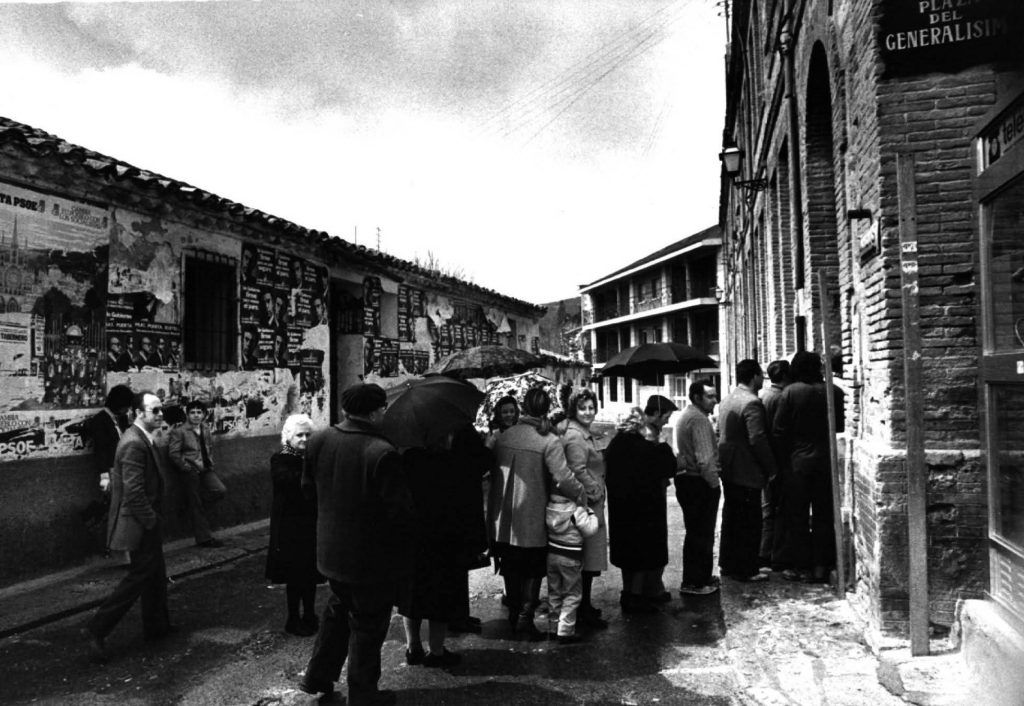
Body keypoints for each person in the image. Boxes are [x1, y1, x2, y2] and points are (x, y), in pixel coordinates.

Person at [298, 383, 414, 706]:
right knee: (368, 623)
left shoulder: (319, 439)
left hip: (331, 553)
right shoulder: (381, 452)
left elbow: (307, 490)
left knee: (337, 610)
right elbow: (399, 514)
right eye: (383, 409)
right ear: (376, 410)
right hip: (370, 560)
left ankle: (317, 675)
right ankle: (363, 694)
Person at [488, 387, 586, 638]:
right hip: (532, 514)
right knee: (533, 567)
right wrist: (581, 493)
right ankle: (524, 620)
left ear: (523, 407)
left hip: (503, 516)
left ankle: (513, 615)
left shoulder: (505, 436)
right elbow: (563, 477)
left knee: (510, 565)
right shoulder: (548, 439)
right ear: (547, 408)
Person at [82, 391, 172, 663]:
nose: (160, 415)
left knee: (155, 572)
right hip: (141, 520)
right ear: (137, 413)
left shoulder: (144, 437)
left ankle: (157, 626)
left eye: (160, 410)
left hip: (148, 518)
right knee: (140, 575)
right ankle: (98, 628)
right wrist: (150, 520)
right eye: (154, 410)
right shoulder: (133, 442)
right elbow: (134, 491)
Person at [398, 430, 470, 669]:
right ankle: (436, 651)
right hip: (442, 540)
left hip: (411, 539)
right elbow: (460, 503)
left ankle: (413, 647)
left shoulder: (406, 460)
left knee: (412, 595)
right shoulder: (450, 462)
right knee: (439, 596)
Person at [604, 397, 677, 613]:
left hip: (622, 507)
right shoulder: (644, 444)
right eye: (665, 417)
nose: (665, 422)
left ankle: (635, 592)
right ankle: (635, 596)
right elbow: (668, 466)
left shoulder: (618, 441)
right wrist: (661, 444)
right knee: (642, 553)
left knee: (631, 554)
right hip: (643, 508)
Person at [772, 351, 836, 583]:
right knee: (823, 515)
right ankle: (821, 566)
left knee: (797, 516)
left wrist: (783, 460)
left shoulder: (790, 393)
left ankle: (801, 567)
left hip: (797, 463)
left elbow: (779, 431)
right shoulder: (833, 391)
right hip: (827, 462)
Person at [718, 359, 777, 583]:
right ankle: (747, 568)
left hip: (730, 468)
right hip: (746, 470)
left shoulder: (728, 399)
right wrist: (770, 468)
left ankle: (729, 564)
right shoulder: (752, 402)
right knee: (749, 520)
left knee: (732, 517)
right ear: (754, 376)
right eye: (761, 375)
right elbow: (757, 438)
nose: (763, 379)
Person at [266, 414, 321, 636]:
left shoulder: (312, 458)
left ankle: (309, 613)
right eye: (300, 435)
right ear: (289, 436)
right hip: (289, 526)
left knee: (310, 572)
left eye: (308, 435)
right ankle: (293, 618)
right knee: (294, 575)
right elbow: (290, 482)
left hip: (309, 523)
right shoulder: (280, 458)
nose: (305, 439)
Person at [561, 388, 608, 628]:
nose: (588, 412)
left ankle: (585, 606)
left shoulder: (582, 432)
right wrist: (595, 491)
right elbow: (577, 469)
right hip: (585, 505)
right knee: (585, 560)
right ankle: (581, 611)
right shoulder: (575, 436)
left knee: (588, 560)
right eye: (583, 408)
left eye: (591, 407)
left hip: (589, 504)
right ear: (573, 409)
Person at [674, 380, 722, 595]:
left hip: (688, 481)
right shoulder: (699, 420)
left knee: (696, 532)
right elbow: (705, 459)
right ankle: (695, 581)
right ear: (696, 398)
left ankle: (700, 576)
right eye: (710, 396)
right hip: (698, 482)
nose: (714, 400)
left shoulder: (687, 416)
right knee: (701, 533)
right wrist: (714, 484)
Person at [82, 384, 134, 564]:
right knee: (117, 512)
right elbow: (100, 450)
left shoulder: (121, 419)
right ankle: (119, 554)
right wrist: (104, 475)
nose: (127, 409)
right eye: (126, 405)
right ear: (117, 403)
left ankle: (126, 550)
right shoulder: (100, 421)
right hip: (112, 470)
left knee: (125, 512)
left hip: (125, 468)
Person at [545, 485, 599, 644]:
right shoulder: (577, 510)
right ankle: (565, 630)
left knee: (554, 592)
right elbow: (590, 530)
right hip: (570, 556)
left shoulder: (550, 506)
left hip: (552, 554)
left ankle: (553, 627)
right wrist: (591, 514)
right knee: (572, 594)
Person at [168, 400, 223, 548]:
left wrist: (209, 463)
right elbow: (173, 453)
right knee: (196, 503)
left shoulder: (205, 428)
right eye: (192, 412)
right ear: (187, 414)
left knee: (220, 490)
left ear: (204, 414)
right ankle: (204, 538)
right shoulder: (180, 431)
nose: (196, 415)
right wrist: (185, 466)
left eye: (199, 412)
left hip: (206, 469)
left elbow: (209, 447)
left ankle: (192, 506)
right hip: (190, 471)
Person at [759, 359, 790, 570]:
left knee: (766, 508)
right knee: (775, 510)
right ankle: (769, 554)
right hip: (776, 460)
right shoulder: (780, 398)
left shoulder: (762, 395)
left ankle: (763, 552)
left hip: (762, 460)